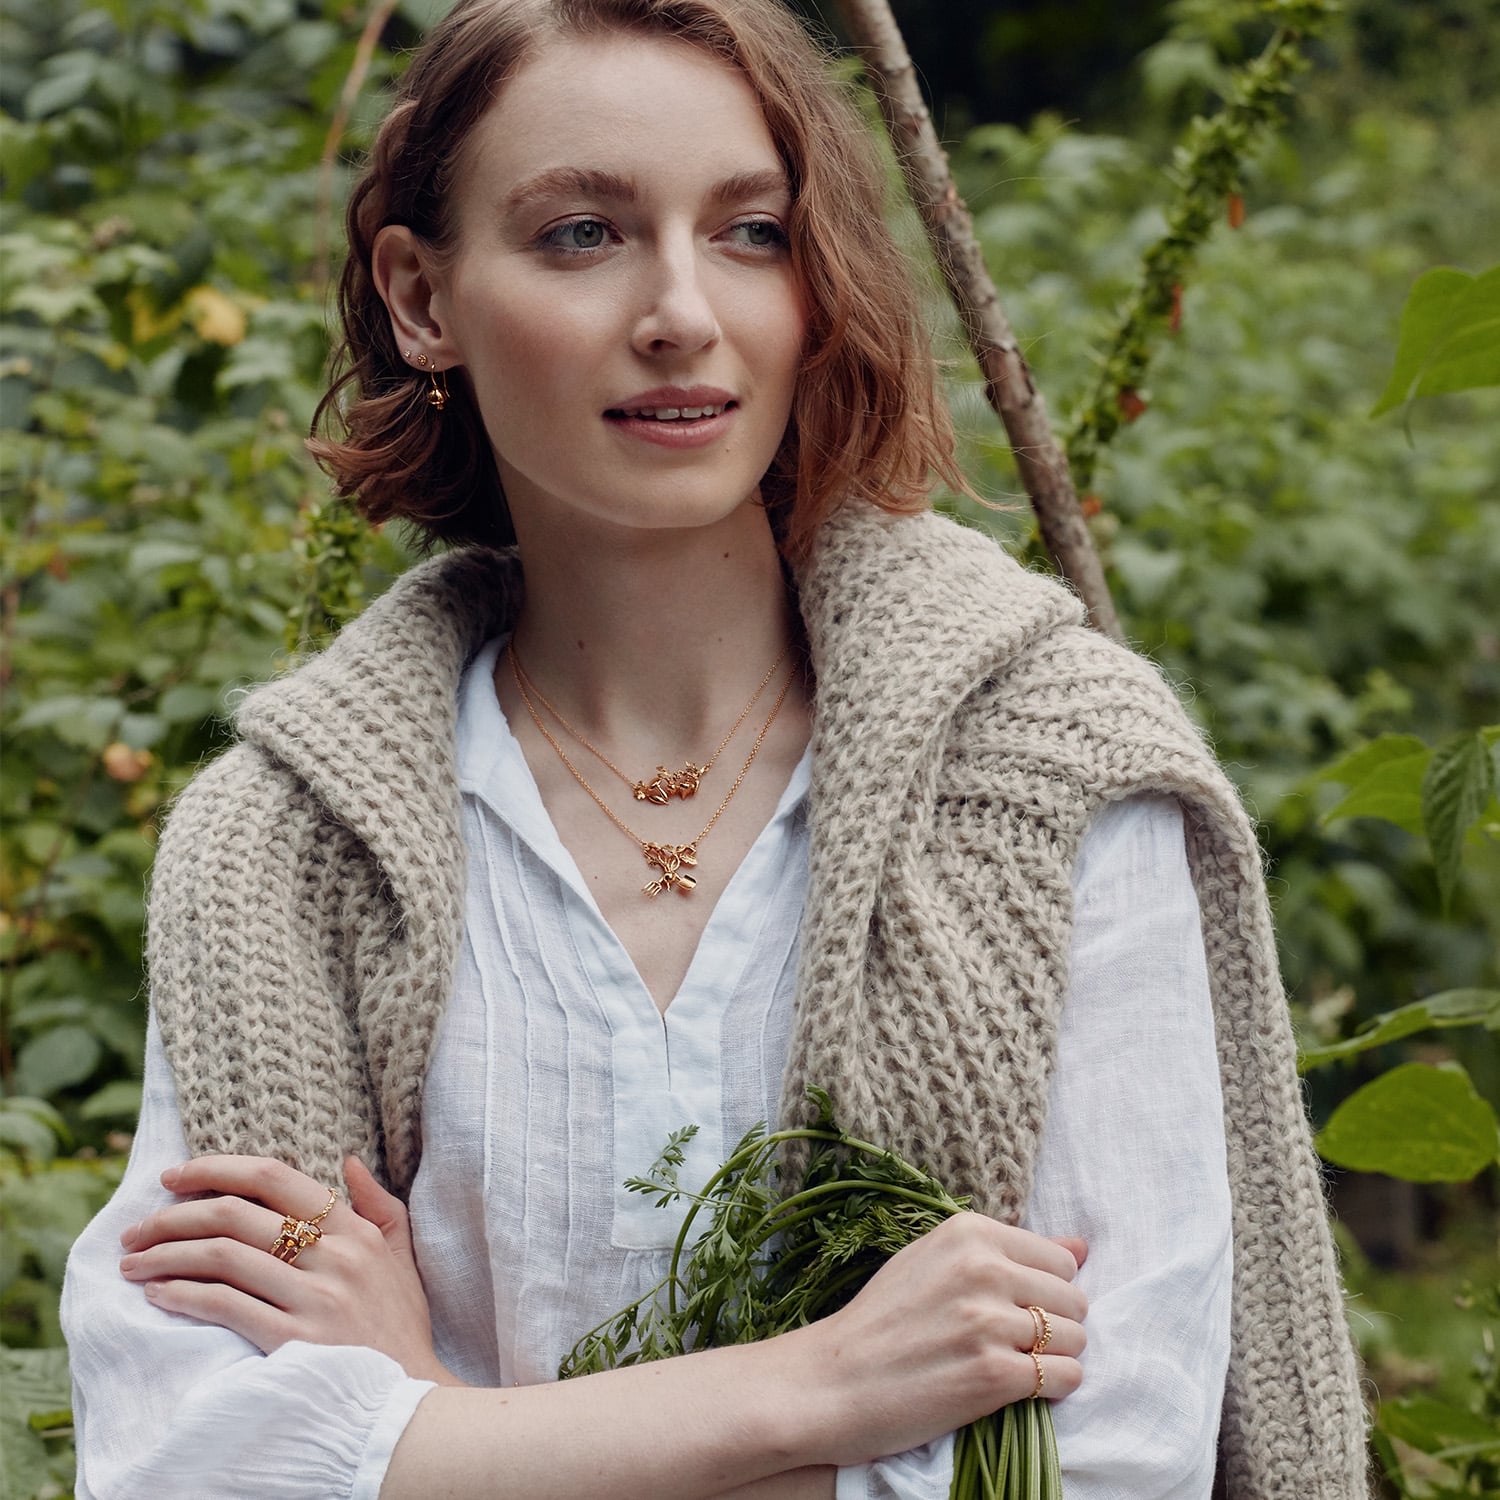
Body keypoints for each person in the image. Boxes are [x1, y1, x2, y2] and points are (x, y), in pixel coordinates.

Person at [61, 1, 1369, 1496]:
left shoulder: (1050, 775)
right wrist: (820, 1391)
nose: (681, 306)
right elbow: (182, 1461)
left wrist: (436, 1432)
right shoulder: (282, 853)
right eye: (579, 235)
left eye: (751, 231)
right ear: (423, 297)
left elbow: (1115, 1461)